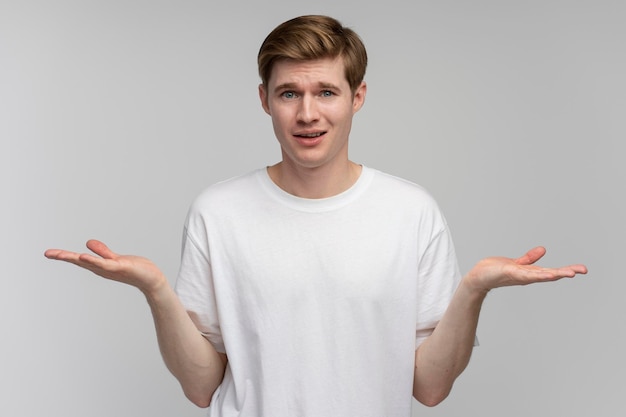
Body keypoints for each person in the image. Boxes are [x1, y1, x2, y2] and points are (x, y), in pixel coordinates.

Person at [44, 15, 587, 417]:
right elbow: (201, 386)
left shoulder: (410, 211)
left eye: (326, 91)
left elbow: (430, 388)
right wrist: (155, 289)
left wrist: (474, 289)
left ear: (358, 97)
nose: (307, 113)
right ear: (265, 100)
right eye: (289, 93)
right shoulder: (218, 212)